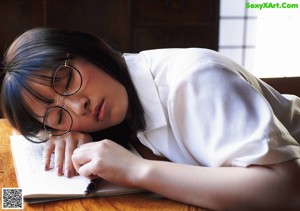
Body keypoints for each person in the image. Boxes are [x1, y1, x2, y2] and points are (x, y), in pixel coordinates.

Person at [1, 27, 300, 210]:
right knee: (8, 201)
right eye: (57, 115)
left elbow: (286, 190)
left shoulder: (194, 80)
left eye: (66, 81)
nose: (79, 107)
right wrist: (63, 132)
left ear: (85, 51)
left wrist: (138, 170)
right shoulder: (117, 104)